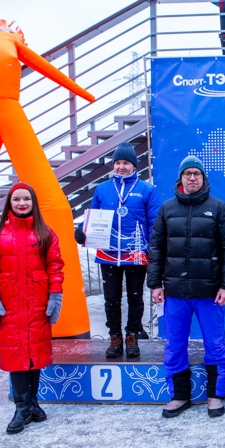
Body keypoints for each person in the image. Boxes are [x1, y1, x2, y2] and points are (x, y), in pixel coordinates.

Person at [147, 155, 225, 419]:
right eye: (187, 173)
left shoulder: (219, 208)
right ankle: (179, 396)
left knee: (215, 345)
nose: (192, 178)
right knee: (175, 346)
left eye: (196, 174)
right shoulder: (167, 209)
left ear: (203, 179)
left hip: (209, 294)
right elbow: (156, 249)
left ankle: (215, 395)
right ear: (180, 179)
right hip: (175, 293)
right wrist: (154, 284)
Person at [0, 183, 64, 434]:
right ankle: (21, 406)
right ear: (10, 202)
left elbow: (55, 266)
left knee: (34, 352)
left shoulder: (45, 233)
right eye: (16, 199)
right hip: (10, 304)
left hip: (37, 302)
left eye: (26, 199)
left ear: (33, 202)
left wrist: (55, 296)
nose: (21, 203)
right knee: (16, 353)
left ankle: (32, 402)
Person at [75, 142, 161, 358]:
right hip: (108, 252)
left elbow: (154, 222)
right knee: (111, 299)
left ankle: (132, 336)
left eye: (126, 163)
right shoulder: (103, 189)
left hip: (136, 253)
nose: (121, 167)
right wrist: (82, 230)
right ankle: (115, 337)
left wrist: (153, 248)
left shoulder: (146, 190)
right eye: (118, 163)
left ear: (134, 166)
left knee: (135, 298)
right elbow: (94, 215)